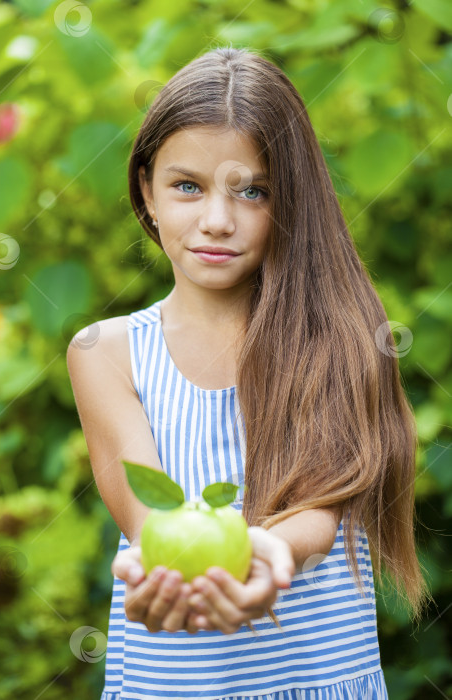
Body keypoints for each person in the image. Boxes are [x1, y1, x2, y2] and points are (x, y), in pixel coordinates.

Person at [67, 46, 432, 700]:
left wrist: (269, 558)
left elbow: (319, 510)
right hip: (174, 685)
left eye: (252, 191)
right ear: (144, 189)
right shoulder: (105, 352)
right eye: (187, 186)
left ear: (290, 199)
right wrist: (184, 583)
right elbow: (149, 519)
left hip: (315, 683)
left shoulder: (338, 334)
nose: (216, 220)